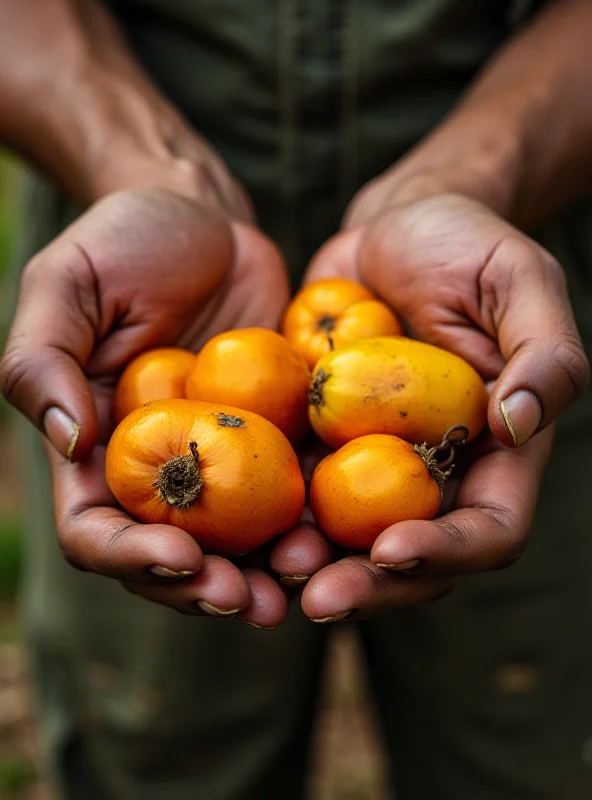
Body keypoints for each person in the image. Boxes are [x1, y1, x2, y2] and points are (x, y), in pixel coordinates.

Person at [0, 0, 591, 797]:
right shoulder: (172, 421)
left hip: (496, 276)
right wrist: (138, 166)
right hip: (147, 297)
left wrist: (474, 176)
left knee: (525, 741)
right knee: (163, 754)